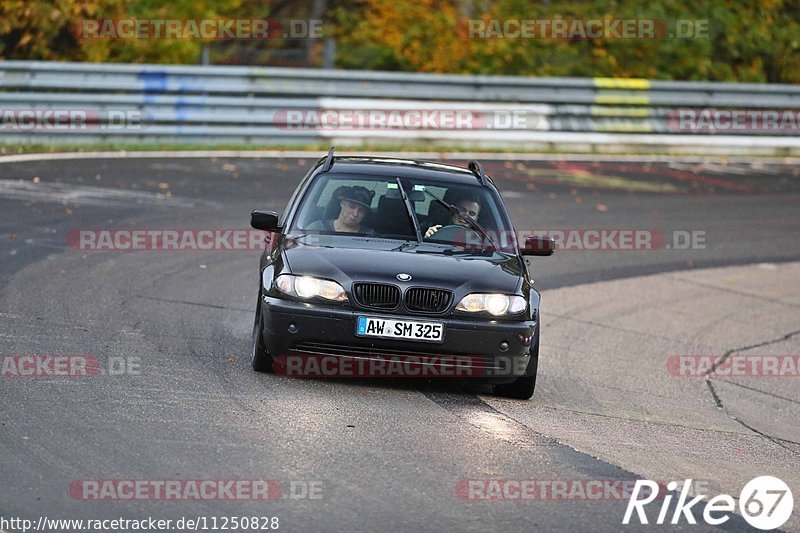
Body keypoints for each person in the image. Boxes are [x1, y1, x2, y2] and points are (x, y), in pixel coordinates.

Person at [307, 185, 375, 234]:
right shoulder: (317, 228)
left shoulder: (369, 237)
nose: (355, 214)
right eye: (352, 207)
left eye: (361, 211)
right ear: (342, 204)